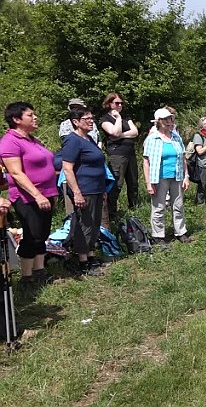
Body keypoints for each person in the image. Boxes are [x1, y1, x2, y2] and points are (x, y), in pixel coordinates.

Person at [0, 102, 57, 291]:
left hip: (46, 194)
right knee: (31, 235)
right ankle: (26, 277)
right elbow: (16, 173)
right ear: (16, 119)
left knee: (42, 234)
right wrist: (37, 195)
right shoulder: (10, 142)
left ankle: (40, 271)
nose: (35, 117)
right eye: (30, 115)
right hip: (27, 197)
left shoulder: (32, 139)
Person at [61, 107, 108, 276]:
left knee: (94, 224)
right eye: (86, 118)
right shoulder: (72, 140)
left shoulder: (89, 138)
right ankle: (82, 262)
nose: (91, 121)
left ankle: (91, 256)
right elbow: (67, 168)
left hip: (96, 189)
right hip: (84, 189)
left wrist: (102, 189)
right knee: (84, 225)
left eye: (91, 117)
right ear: (75, 122)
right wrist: (77, 192)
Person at [143, 108, 191, 245]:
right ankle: (158, 235)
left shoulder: (176, 137)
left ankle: (181, 232)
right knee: (159, 207)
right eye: (166, 119)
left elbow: (182, 158)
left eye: (170, 119)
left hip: (177, 175)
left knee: (178, 205)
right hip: (159, 177)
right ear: (158, 121)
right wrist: (148, 183)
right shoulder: (152, 138)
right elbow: (146, 162)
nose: (169, 122)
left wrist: (186, 176)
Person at [99, 92, 139, 217]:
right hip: (117, 154)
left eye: (121, 103)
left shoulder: (126, 116)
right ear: (109, 104)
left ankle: (134, 208)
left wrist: (121, 135)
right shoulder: (105, 119)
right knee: (117, 183)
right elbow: (113, 132)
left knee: (133, 182)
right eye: (117, 103)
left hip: (130, 152)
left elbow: (135, 132)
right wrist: (118, 119)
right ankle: (112, 212)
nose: (120, 105)